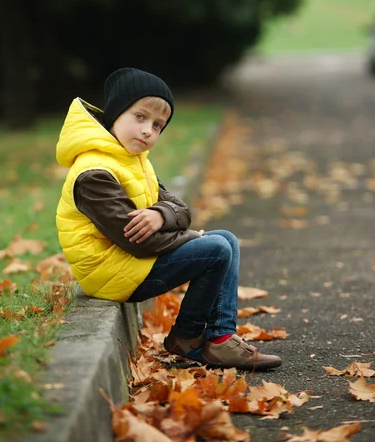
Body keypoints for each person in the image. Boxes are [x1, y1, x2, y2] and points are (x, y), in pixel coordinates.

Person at [56, 67, 282, 370]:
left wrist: (161, 214)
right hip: (112, 273)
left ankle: (220, 338)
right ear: (115, 114)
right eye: (140, 117)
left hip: (130, 265)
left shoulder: (131, 159)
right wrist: (191, 237)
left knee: (225, 239)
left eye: (158, 125)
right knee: (215, 248)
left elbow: (179, 207)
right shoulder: (94, 172)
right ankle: (187, 337)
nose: (149, 130)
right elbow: (137, 241)